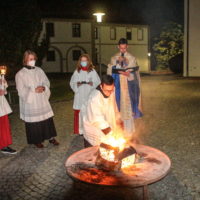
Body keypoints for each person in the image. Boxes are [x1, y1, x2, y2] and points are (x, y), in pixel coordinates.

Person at [15, 50, 59, 148]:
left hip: (41, 99)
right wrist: (33, 90)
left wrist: (44, 88)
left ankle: (51, 137)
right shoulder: (20, 74)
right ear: (25, 60)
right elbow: (21, 90)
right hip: (31, 101)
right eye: (30, 59)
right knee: (34, 122)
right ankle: (36, 140)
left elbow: (46, 81)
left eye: (34, 59)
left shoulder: (39, 70)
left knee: (47, 120)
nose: (33, 61)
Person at [107, 38, 143, 138]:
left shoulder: (132, 58)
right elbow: (109, 72)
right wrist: (115, 66)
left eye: (124, 48)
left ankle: (129, 134)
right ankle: (118, 133)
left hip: (127, 88)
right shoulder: (114, 58)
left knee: (127, 109)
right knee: (117, 109)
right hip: (117, 87)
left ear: (127, 46)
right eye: (121, 48)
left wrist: (128, 74)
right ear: (118, 47)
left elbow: (135, 74)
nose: (123, 50)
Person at [80, 75, 123, 147]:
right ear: (101, 86)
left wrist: (118, 119)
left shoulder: (111, 89)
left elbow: (113, 106)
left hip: (105, 121)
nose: (109, 93)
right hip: (93, 123)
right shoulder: (94, 98)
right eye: (107, 90)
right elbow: (97, 119)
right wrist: (110, 133)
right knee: (94, 146)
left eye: (111, 90)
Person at [70, 54, 100, 135]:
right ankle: (80, 131)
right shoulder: (77, 71)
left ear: (88, 61)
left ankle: (90, 131)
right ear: (80, 62)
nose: (84, 62)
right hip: (79, 95)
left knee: (89, 112)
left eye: (85, 60)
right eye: (82, 61)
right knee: (80, 112)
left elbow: (98, 83)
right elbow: (72, 82)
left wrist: (92, 84)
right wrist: (77, 84)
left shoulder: (93, 71)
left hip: (89, 94)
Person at [0, 68, 17, 154]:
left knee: (3, 126)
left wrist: (2, 84)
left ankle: (4, 145)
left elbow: (3, 87)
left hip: (1, 105)